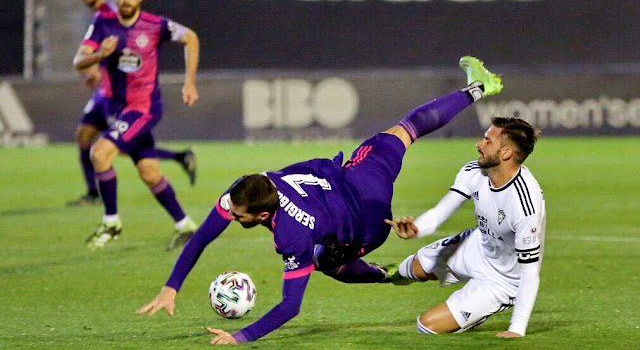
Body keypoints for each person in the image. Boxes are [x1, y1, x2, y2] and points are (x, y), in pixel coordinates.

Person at [137, 56, 503, 344]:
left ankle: (389, 273)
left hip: (367, 225)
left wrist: (241, 336)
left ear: (263, 213)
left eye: (237, 215)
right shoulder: (249, 188)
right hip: (355, 176)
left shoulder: (290, 236)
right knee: (404, 129)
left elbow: (290, 306)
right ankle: (478, 87)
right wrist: (171, 288)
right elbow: (202, 236)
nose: (229, 215)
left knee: (324, 261)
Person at [385, 117, 545, 338]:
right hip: (476, 246)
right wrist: (416, 228)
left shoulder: (525, 204)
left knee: (427, 325)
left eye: (488, 141)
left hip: (503, 281)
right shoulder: (474, 171)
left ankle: (472, 314)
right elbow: (441, 211)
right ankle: (373, 273)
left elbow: (530, 272)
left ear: (506, 153)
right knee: (409, 269)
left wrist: (516, 328)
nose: (479, 144)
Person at [73, 0, 200, 250]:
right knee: (150, 173)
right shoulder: (103, 23)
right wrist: (98, 55)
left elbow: (191, 38)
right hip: (117, 110)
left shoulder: (156, 25)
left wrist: (189, 82)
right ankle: (185, 225)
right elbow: (78, 60)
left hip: (144, 109)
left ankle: (111, 221)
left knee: (100, 153)